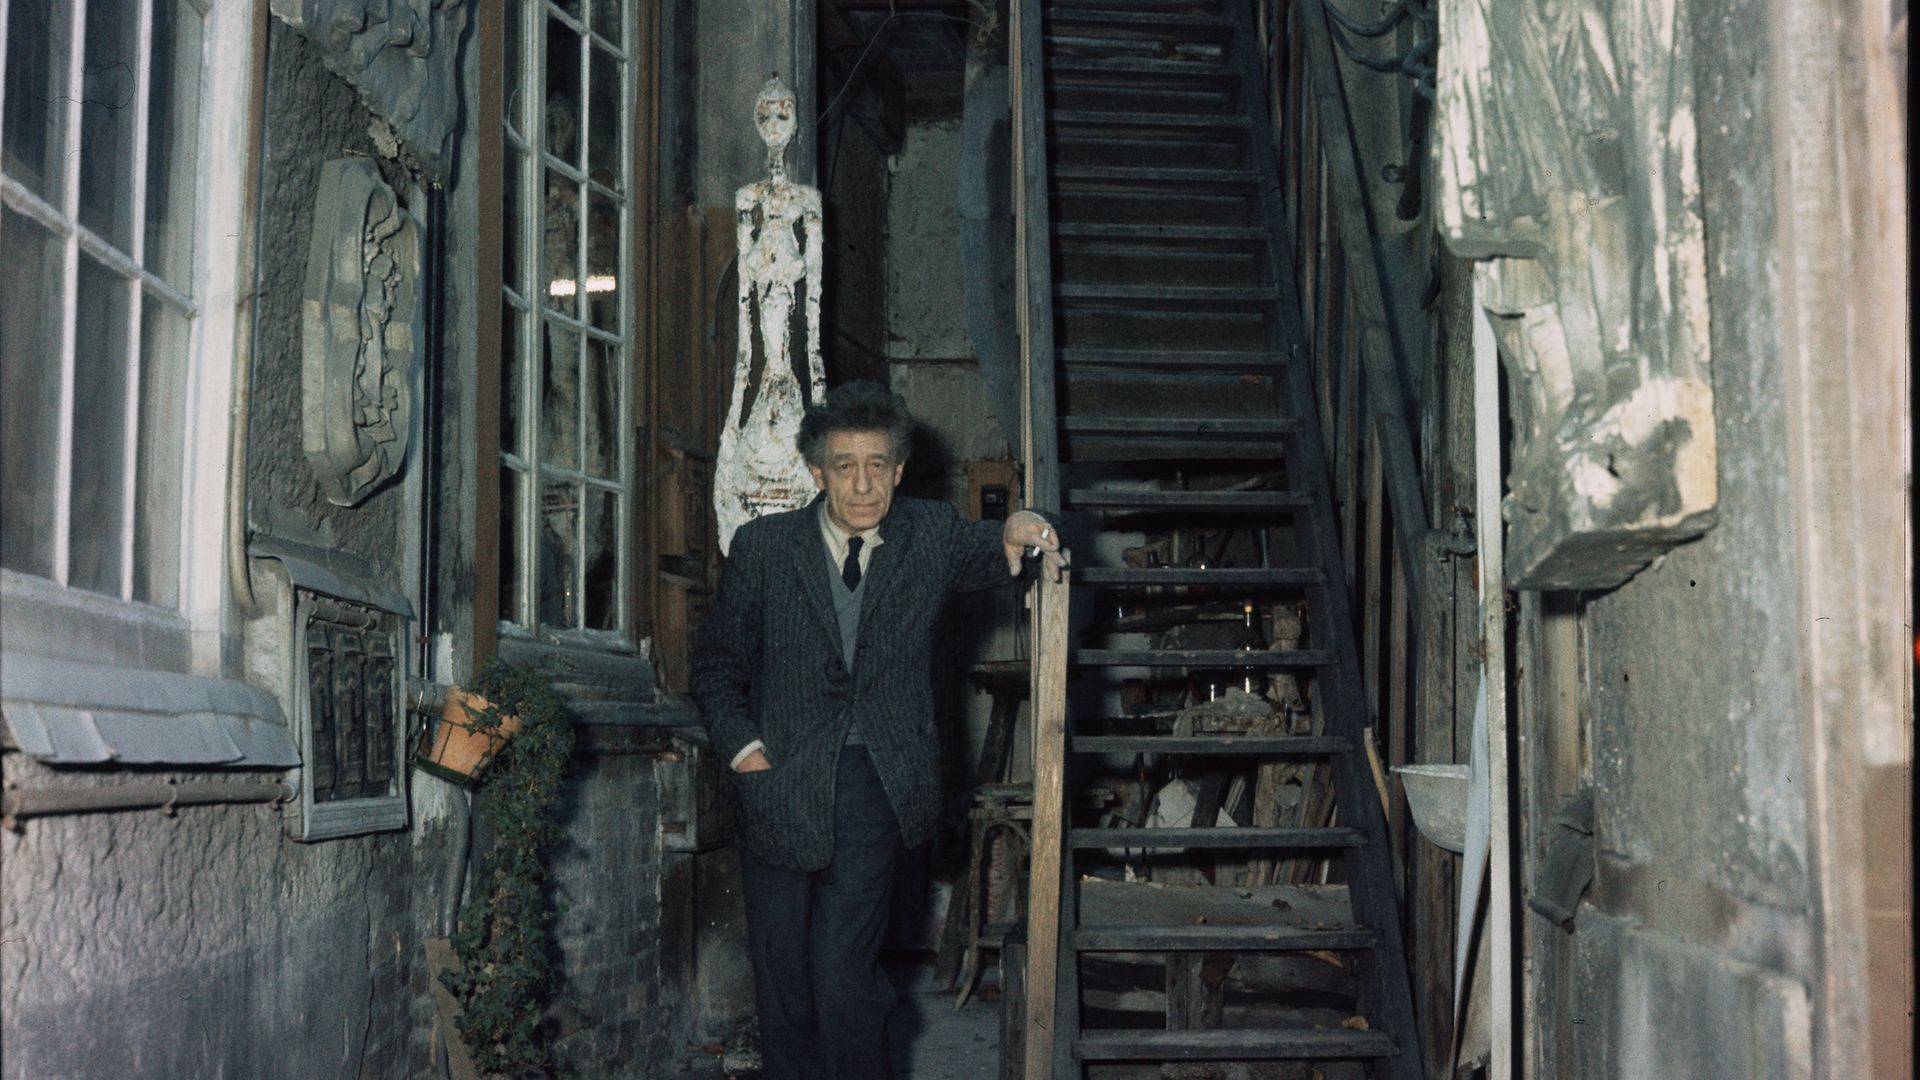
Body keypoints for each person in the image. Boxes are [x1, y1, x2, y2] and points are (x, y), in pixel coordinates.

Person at [691, 380, 1066, 1080]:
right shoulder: (765, 549)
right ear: (816, 471)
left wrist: (1025, 522)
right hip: (777, 781)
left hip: (876, 782)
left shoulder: (926, 534)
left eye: (877, 466)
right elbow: (715, 668)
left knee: (845, 969)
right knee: (782, 974)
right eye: (843, 465)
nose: (862, 485)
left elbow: (996, 540)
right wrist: (746, 753)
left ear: (897, 469)